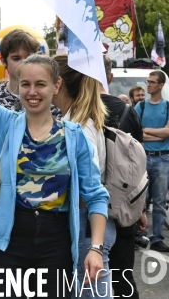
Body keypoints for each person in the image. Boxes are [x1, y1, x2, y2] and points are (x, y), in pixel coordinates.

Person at [0, 0, 108, 298]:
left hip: (58, 244)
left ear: (56, 86)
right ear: (17, 85)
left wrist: (96, 248)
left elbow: (96, 196)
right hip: (8, 243)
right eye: (25, 84)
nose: (32, 92)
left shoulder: (74, 137)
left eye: (41, 84)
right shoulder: (3, 124)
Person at [52, 53, 115, 298]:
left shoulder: (78, 126)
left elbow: (89, 186)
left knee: (90, 292)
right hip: (88, 224)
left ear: (59, 84)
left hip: (84, 224)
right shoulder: (78, 118)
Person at [0, 29, 62, 195]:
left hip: (42, 190)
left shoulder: (50, 98)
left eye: (27, 57)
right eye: (16, 58)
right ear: (3, 60)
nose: (23, 62)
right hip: (0, 190)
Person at [100, 55, 145, 299]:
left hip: (90, 207)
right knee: (123, 275)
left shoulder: (76, 109)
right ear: (110, 76)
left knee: (90, 278)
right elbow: (140, 166)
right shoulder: (129, 111)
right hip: (125, 205)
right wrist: (141, 210)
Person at [134, 70, 169, 252]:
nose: (148, 84)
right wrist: (158, 134)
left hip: (163, 158)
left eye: (152, 82)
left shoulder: (168, 106)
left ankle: (157, 238)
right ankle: (139, 235)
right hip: (142, 156)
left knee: (160, 201)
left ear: (161, 85)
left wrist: (146, 132)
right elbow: (135, 133)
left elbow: (168, 133)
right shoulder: (141, 106)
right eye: (147, 81)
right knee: (139, 199)